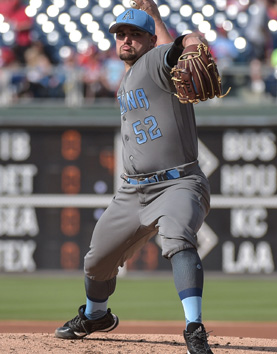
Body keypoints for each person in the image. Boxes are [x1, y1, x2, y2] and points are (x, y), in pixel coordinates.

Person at [54, 1, 214, 353]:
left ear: (149, 39)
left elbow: (189, 41)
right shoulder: (128, 77)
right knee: (96, 260)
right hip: (132, 191)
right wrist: (154, 21)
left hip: (177, 183)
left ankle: (194, 326)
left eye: (134, 35)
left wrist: (185, 41)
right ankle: (96, 315)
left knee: (177, 240)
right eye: (121, 35)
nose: (126, 40)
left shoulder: (156, 61)